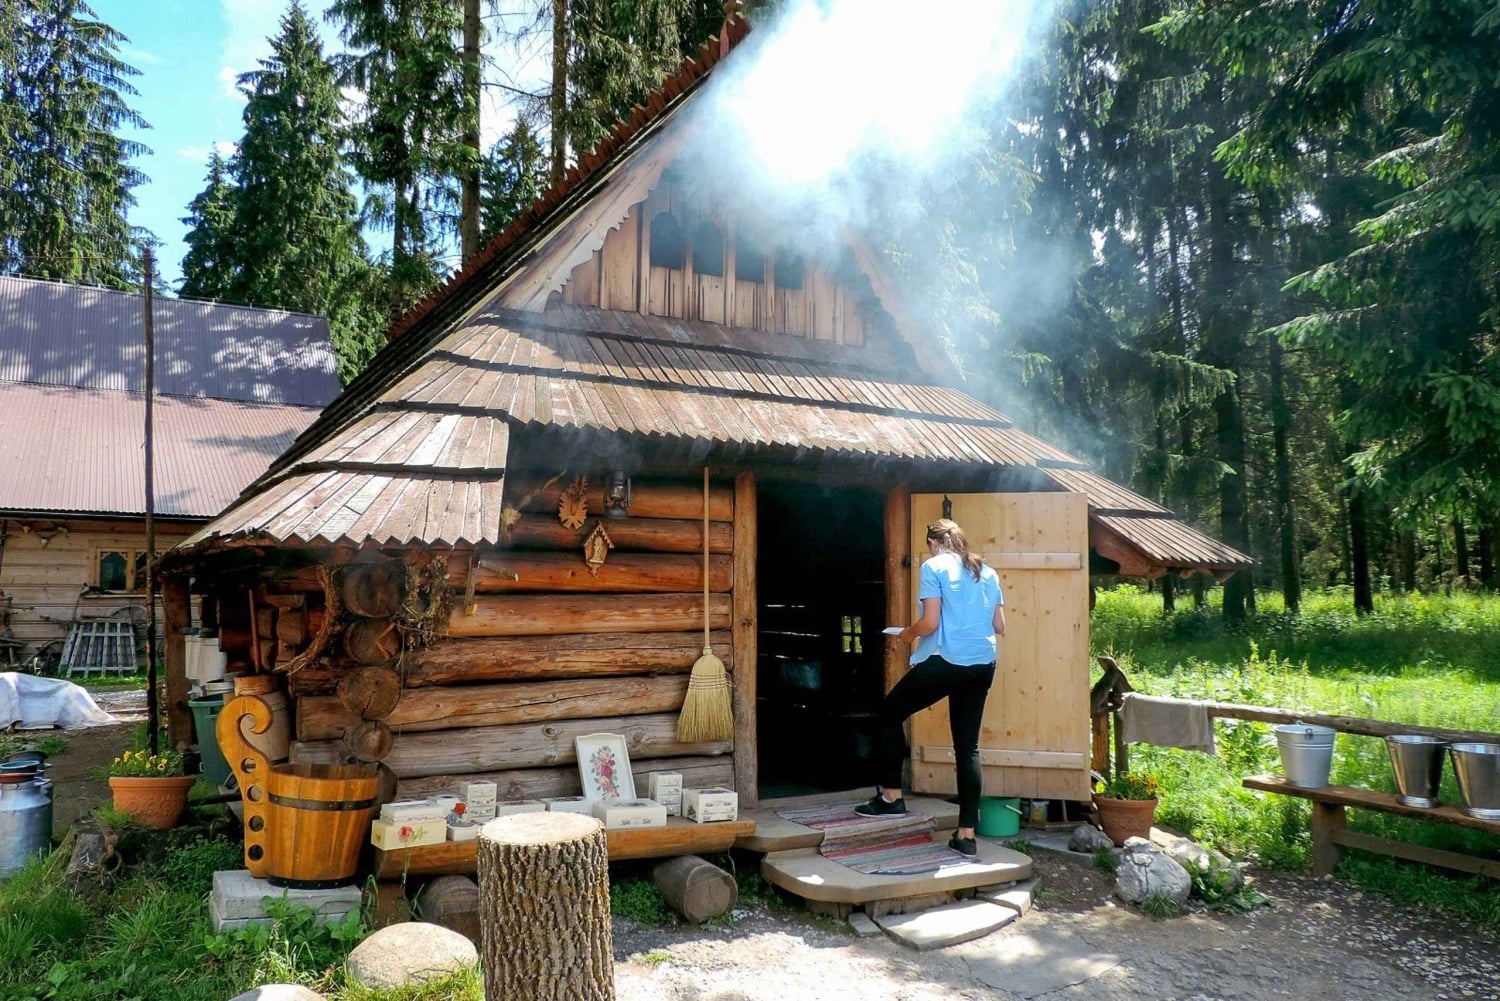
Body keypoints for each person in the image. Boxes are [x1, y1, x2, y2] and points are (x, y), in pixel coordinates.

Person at [855, 518, 1005, 857]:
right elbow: (999, 625)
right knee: (968, 748)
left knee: (888, 715)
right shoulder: (988, 572)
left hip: (947, 661)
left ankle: (891, 797)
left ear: (933, 543)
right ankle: (966, 835)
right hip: (983, 664)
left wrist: (907, 634)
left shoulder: (933, 566)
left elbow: (930, 623)